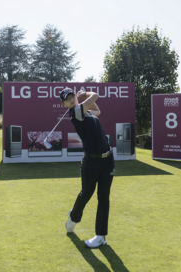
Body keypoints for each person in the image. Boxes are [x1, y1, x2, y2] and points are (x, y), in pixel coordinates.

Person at [60, 87, 115, 248]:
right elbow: (95, 96)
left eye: (72, 96)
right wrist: (84, 95)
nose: (71, 99)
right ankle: (74, 217)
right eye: (67, 98)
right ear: (64, 104)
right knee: (86, 194)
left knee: (103, 198)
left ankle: (100, 236)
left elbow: (97, 110)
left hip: (107, 160)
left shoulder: (86, 112)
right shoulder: (75, 112)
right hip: (91, 162)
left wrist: (83, 99)